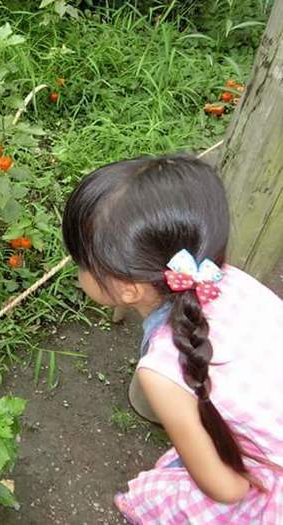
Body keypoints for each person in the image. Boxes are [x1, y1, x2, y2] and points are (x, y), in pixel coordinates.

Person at [61, 154, 283, 523]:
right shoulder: (226, 279)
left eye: (81, 262)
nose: (78, 270)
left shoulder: (161, 373)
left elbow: (228, 489)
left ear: (128, 290)